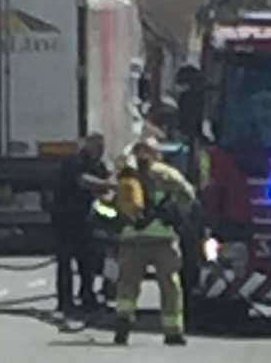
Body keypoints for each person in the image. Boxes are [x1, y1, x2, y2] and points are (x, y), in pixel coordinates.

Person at [113, 137, 197, 346]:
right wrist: (178, 215)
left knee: (127, 285)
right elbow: (188, 195)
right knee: (170, 286)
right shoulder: (167, 174)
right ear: (156, 153)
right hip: (163, 240)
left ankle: (123, 321)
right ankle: (172, 331)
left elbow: (114, 205)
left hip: (132, 239)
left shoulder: (125, 176)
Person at [52, 133, 114, 316]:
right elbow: (83, 180)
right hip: (65, 218)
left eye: (102, 148)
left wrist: (113, 184)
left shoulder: (99, 164)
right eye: (97, 148)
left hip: (85, 220)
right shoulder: (75, 161)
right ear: (88, 147)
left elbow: (108, 181)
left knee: (87, 260)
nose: (100, 152)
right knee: (65, 262)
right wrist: (107, 184)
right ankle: (65, 301)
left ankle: (88, 297)